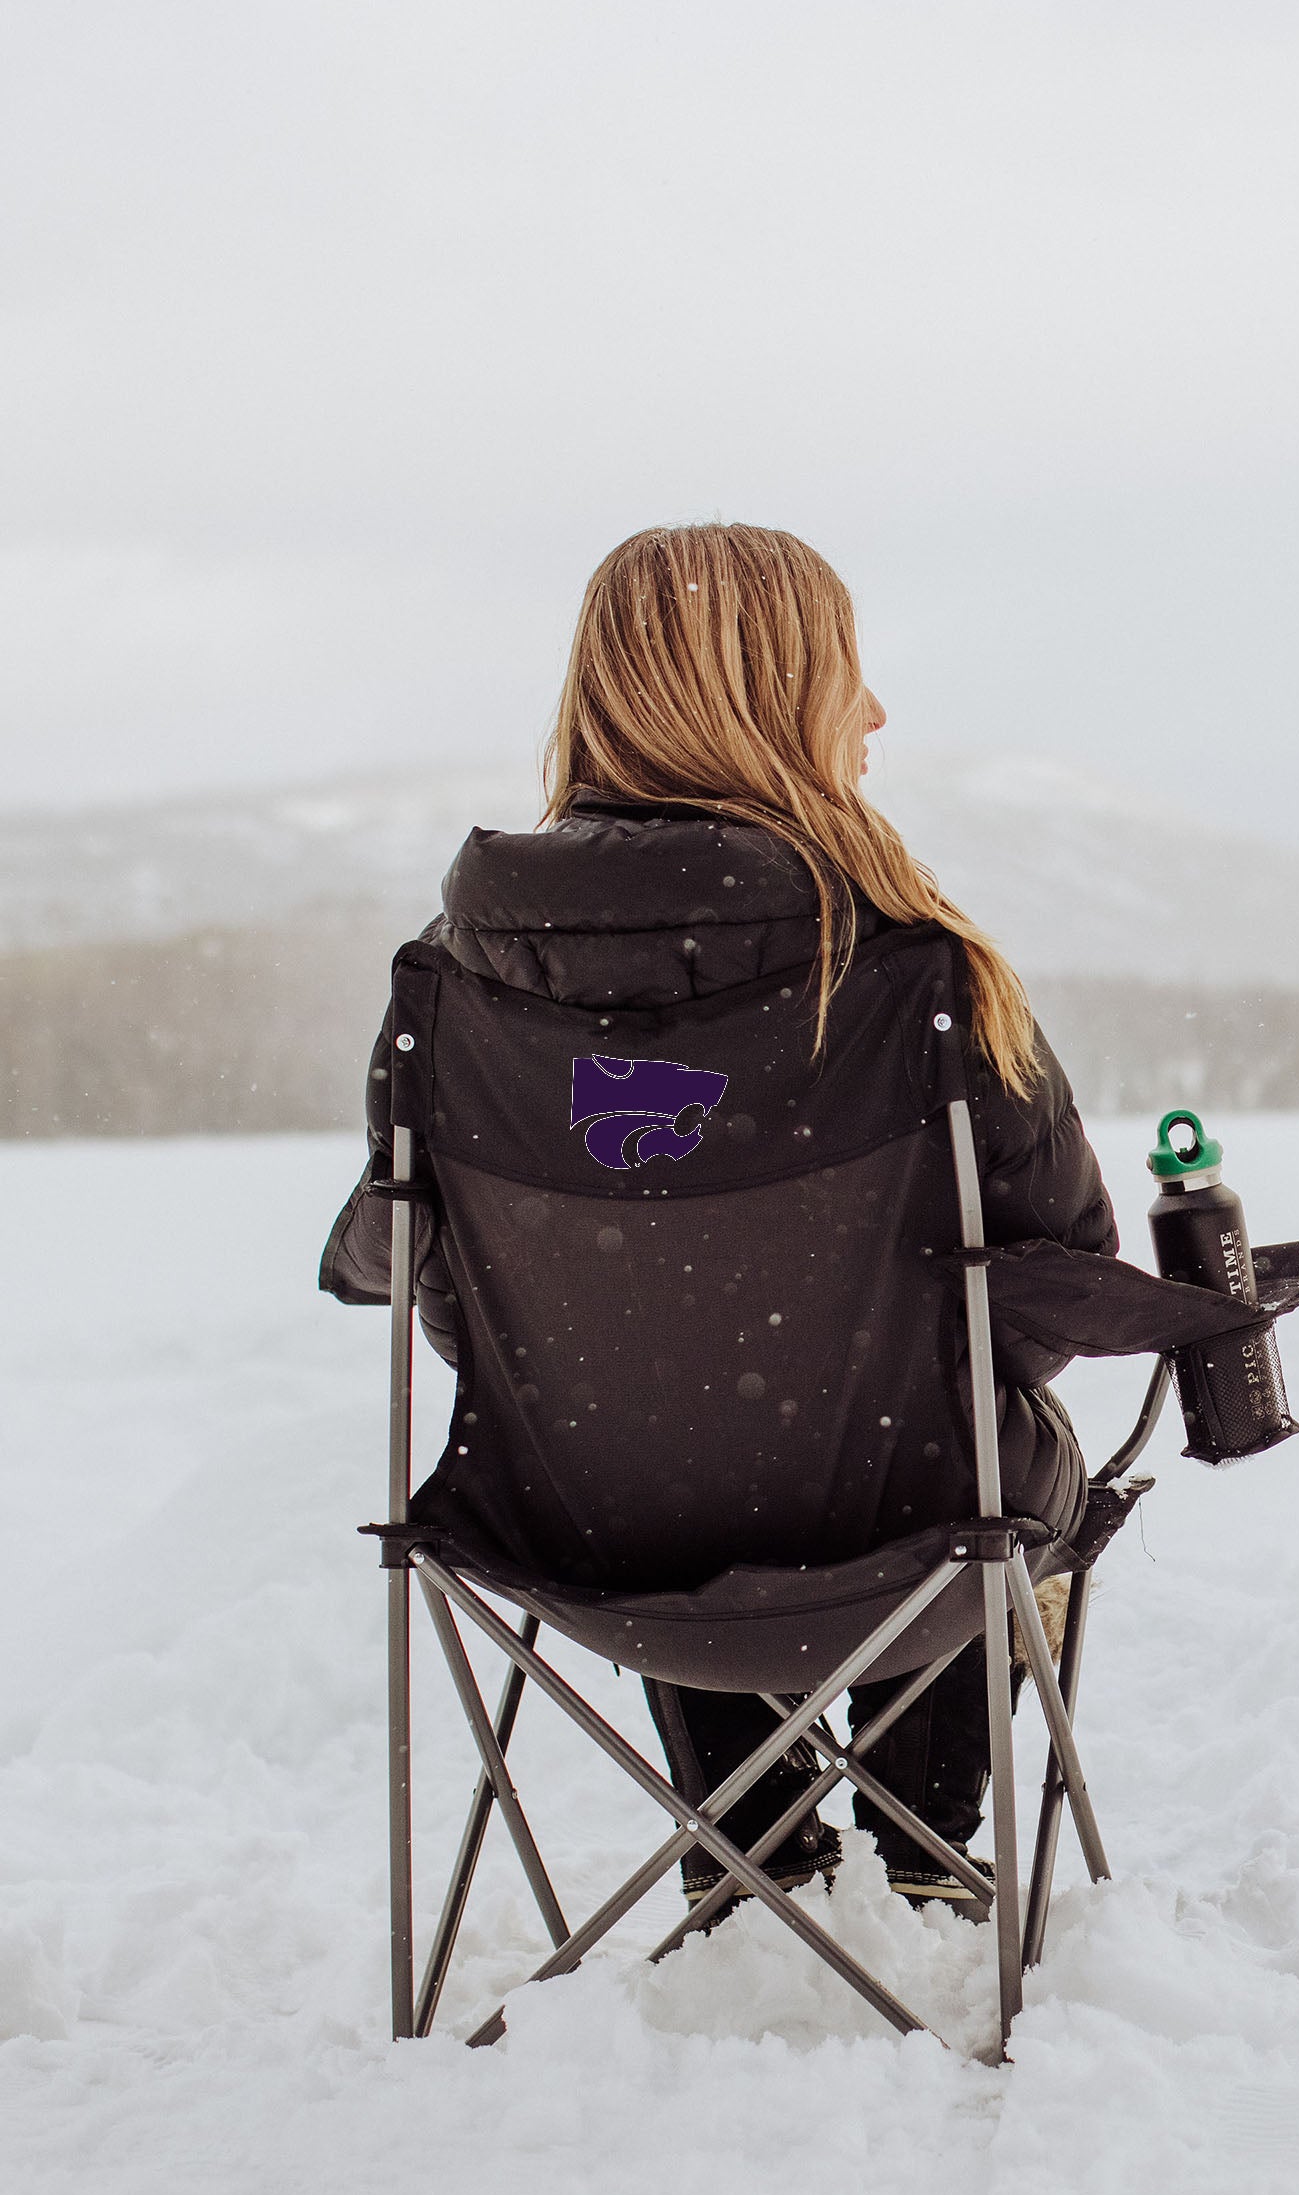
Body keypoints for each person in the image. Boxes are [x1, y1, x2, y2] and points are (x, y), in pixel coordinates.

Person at [321, 522, 1118, 1917]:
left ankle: (749, 1853)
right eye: (847, 675)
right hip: (917, 1542)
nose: (874, 715)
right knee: (955, 1433)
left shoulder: (451, 988)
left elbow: (450, 1308)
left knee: (656, 1418)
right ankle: (923, 1854)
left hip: (589, 1549)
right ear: (770, 697)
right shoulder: (914, 972)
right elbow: (1052, 1286)